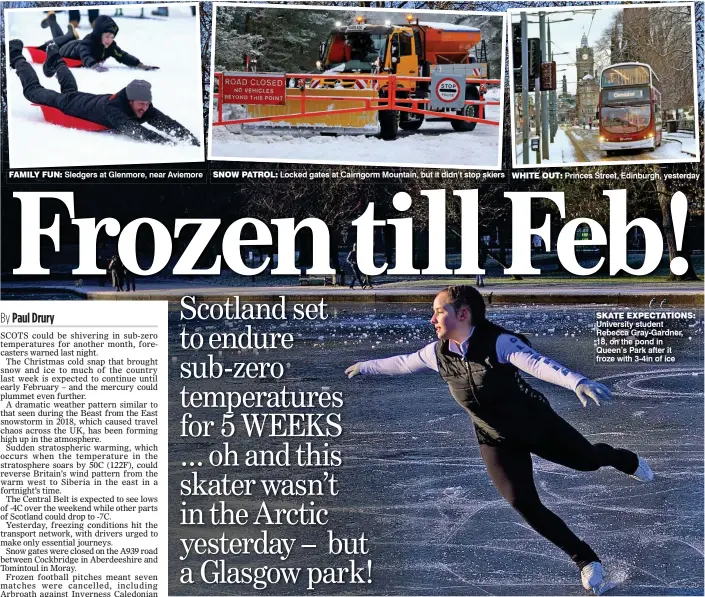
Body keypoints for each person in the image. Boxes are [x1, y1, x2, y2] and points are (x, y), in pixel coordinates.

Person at [345, 285, 654, 595]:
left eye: (439, 311)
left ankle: (625, 460)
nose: (432, 319)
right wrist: (365, 367)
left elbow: (538, 364)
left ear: (463, 314)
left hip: (536, 425)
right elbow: (402, 362)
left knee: (587, 461)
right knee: (523, 503)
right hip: (494, 439)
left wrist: (577, 381)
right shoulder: (437, 353)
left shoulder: (500, 342)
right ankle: (585, 560)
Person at [8, 40, 200, 146]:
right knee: (33, 91)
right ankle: (16, 55)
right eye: (141, 103)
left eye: (147, 104)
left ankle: (56, 57)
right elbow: (137, 131)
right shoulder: (114, 110)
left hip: (83, 98)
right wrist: (169, 144)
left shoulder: (141, 105)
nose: (145, 107)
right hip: (67, 104)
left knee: (70, 89)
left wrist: (189, 139)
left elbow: (166, 122)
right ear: (130, 100)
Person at [40, 13, 157, 72]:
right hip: (66, 49)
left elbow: (123, 55)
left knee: (61, 37)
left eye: (112, 37)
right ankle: (68, 34)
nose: (109, 40)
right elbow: (85, 55)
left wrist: (139, 64)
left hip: (75, 43)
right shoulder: (89, 42)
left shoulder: (110, 46)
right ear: (98, 34)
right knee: (54, 44)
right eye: (107, 36)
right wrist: (94, 65)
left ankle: (54, 22)